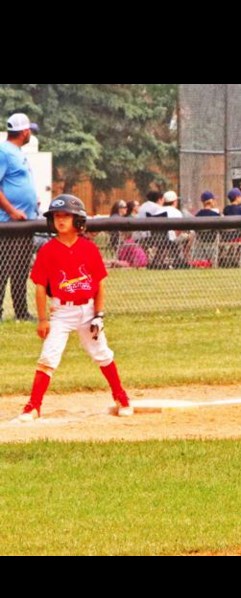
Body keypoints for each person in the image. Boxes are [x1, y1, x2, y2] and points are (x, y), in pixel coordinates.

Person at [17, 194, 134, 422]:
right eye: (57, 216)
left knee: (102, 353)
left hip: (87, 311)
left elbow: (99, 284)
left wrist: (98, 315)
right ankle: (33, 406)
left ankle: (121, 397)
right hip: (61, 312)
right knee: (48, 357)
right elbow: (40, 288)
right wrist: (42, 319)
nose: (60, 220)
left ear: (77, 220)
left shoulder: (88, 249)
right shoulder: (48, 250)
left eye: (66, 216)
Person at [0, 113, 40, 322]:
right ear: (24, 132)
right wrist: (12, 210)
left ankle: (22, 312)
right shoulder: (3, 151)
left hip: (25, 222)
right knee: (3, 269)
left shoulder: (16, 152)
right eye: (30, 130)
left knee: (20, 270)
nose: (31, 134)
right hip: (9, 223)